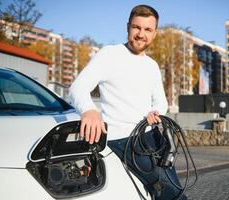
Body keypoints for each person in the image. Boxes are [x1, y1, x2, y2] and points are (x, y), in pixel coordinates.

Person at [69, 5, 187, 200]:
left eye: (148, 29)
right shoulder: (109, 54)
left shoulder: (152, 65)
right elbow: (78, 88)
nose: (141, 34)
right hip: (124, 140)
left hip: (152, 137)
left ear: (155, 33)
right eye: (136, 27)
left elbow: (161, 101)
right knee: (173, 195)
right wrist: (89, 110)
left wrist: (156, 112)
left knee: (171, 188)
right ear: (128, 27)